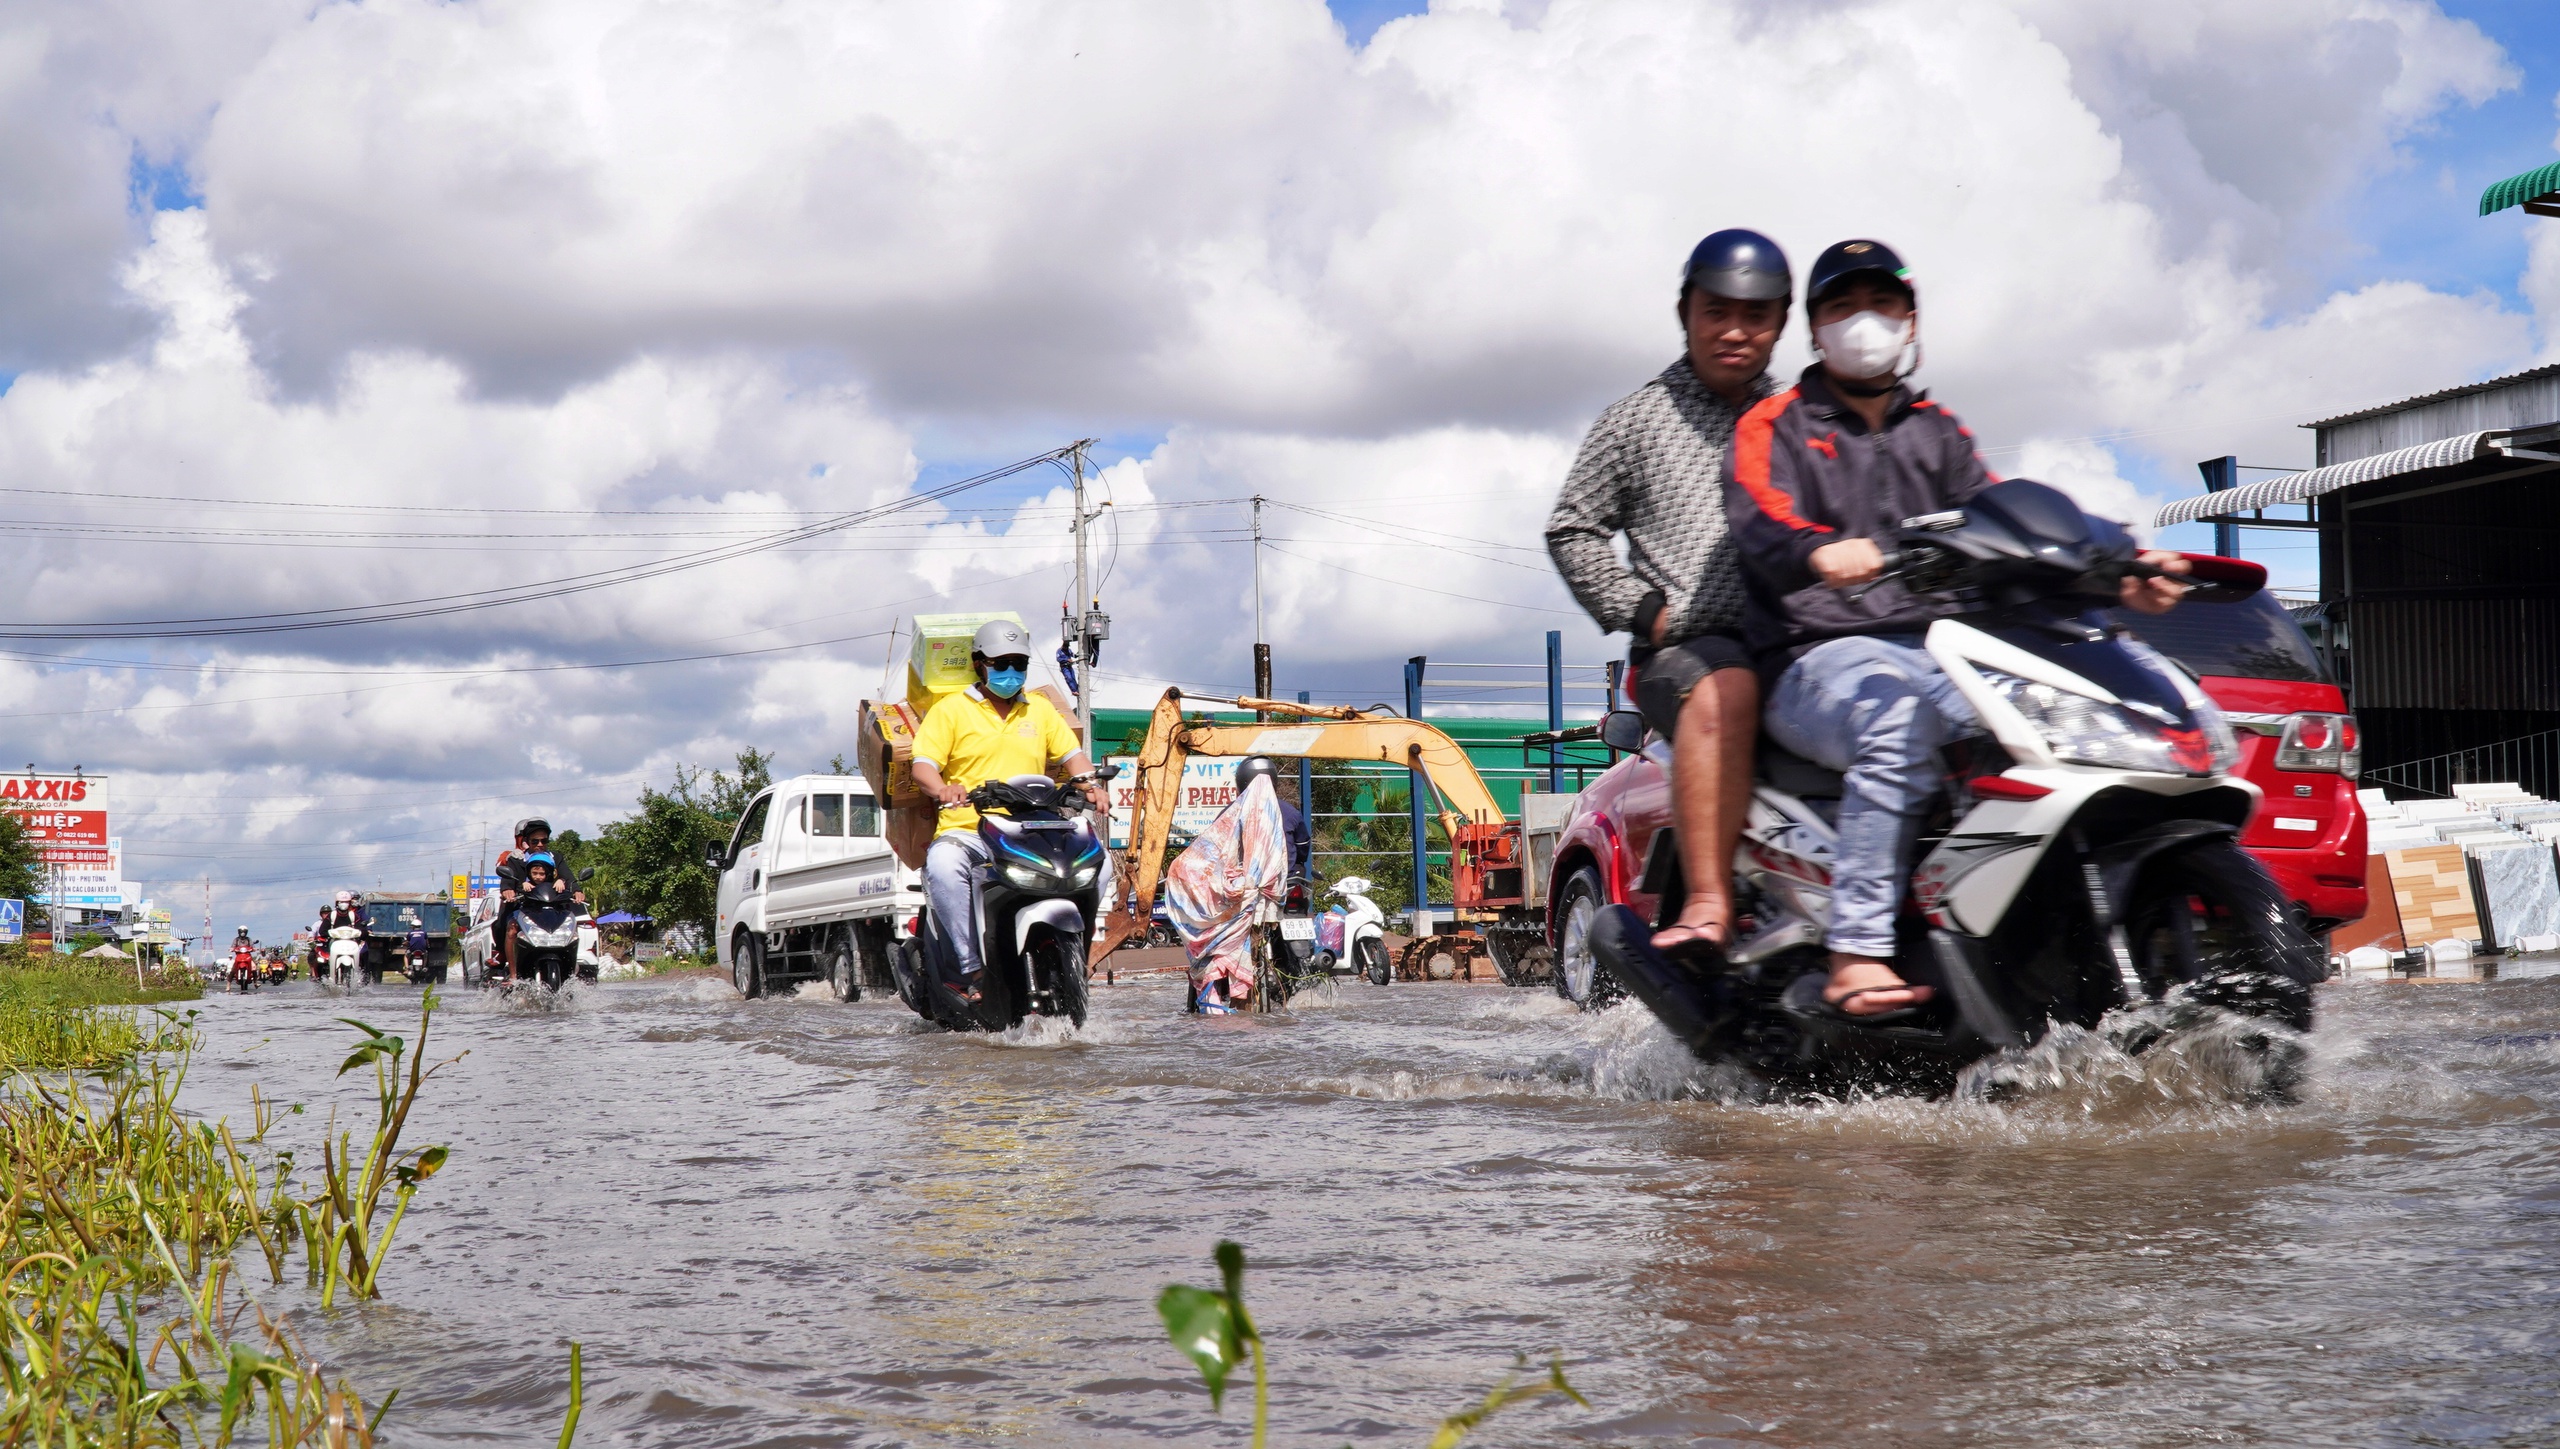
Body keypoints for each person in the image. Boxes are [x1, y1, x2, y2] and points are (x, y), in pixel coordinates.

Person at [1725, 238, 2189, 1018]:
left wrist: (2125, 564)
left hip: (1942, 648)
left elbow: (2016, 519)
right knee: (1895, 722)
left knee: (2051, 724)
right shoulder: (1775, 423)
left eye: (1881, 303)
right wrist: (1817, 551)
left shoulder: (1937, 431)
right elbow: (1759, 519)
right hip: (1814, 653)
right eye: (1842, 306)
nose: (1863, 321)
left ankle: (2017, 945)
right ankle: (1857, 952)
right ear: (1814, 329)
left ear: (1911, 321)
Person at [1547, 228, 1791, 956]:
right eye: (1717, 311)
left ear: (1782, 322)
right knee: (1723, 690)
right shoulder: (1636, 420)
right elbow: (1572, 529)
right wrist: (1643, 611)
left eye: (1756, 315)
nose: (1735, 331)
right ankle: (1709, 902)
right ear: (1686, 312)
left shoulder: (1799, 417)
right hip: (1682, 655)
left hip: (1790, 643)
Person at [907, 618, 1097, 1003]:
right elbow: (923, 766)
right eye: (1002, 664)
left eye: (1019, 664)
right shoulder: (950, 710)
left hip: (1031, 831)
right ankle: (969, 968)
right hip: (968, 830)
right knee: (943, 865)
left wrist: (1090, 786)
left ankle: (1081, 954)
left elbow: (1074, 757)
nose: (1012, 672)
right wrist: (943, 788)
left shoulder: (1040, 710)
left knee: (1100, 862)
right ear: (980, 664)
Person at [1232, 757, 1311, 881]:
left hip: (1240, 884)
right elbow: (1302, 848)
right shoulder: (1290, 812)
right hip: (1285, 882)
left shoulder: (1230, 813)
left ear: (1241, 782)